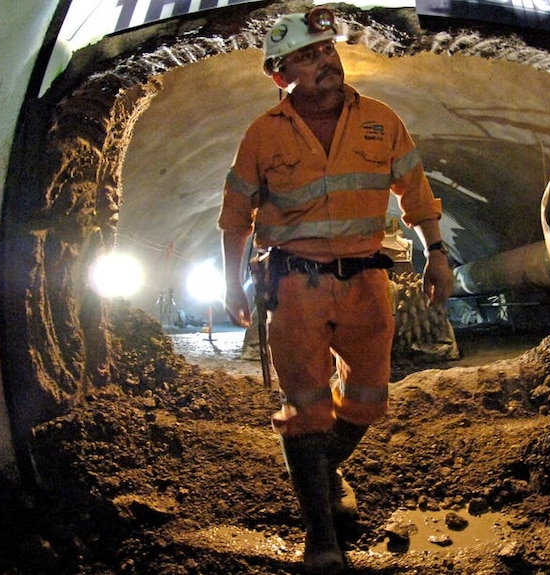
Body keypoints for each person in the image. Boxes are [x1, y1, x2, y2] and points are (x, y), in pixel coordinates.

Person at [217, 9, 453, 573]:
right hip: (295, 286)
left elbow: (415, 192)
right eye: (307, 55)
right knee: (305, 408)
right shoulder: (262, 134)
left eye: (326, 49)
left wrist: (437, 252)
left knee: (368, 399)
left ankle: (325, 470)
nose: (325, 60)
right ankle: (320, 537)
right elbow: (234, 218)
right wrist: (232, 284)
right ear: (281, 75)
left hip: (368, 283)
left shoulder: (380, 119)